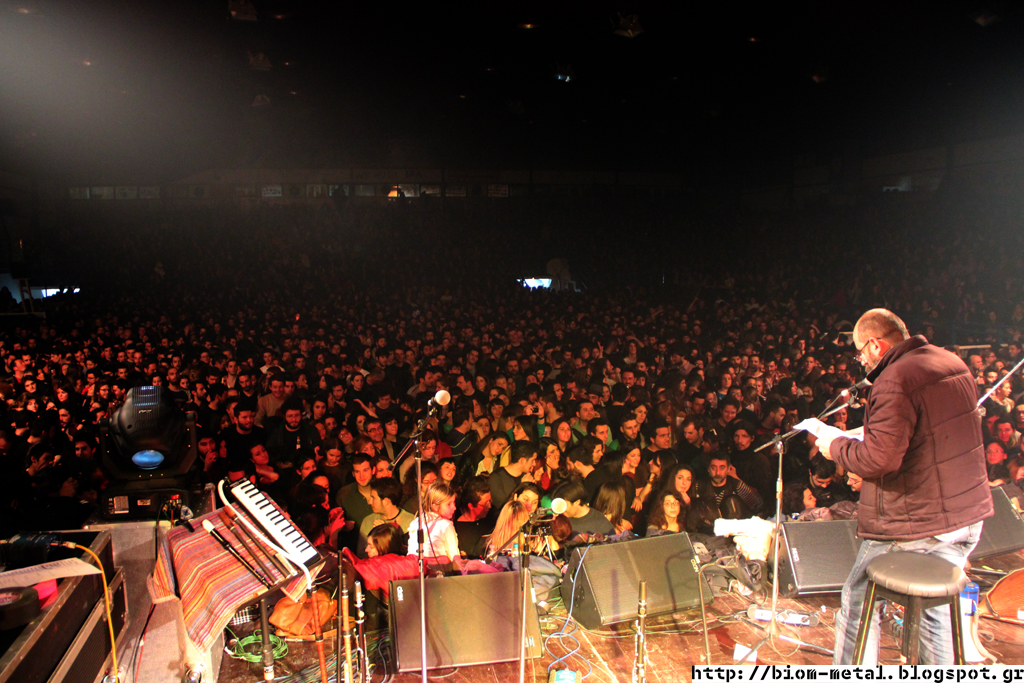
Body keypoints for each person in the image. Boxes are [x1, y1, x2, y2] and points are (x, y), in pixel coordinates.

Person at [812, 309, 993, 665]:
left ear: (876, 345)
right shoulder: (951, 361)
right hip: (967, 515)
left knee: (857, 598)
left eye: (860, 353)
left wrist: (835, 446)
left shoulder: (894, 378)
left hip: (921, 520)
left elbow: (880, 461)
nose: (860, 360)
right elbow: (931, 434)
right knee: (935, 607)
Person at [407, 482, 461, 565]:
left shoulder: (416, 521)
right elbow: (454, 556)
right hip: (438, 572)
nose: (454, 507)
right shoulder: (446, 525)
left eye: (454, 503)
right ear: (435, 506)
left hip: (413, 568)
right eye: (448, 504)